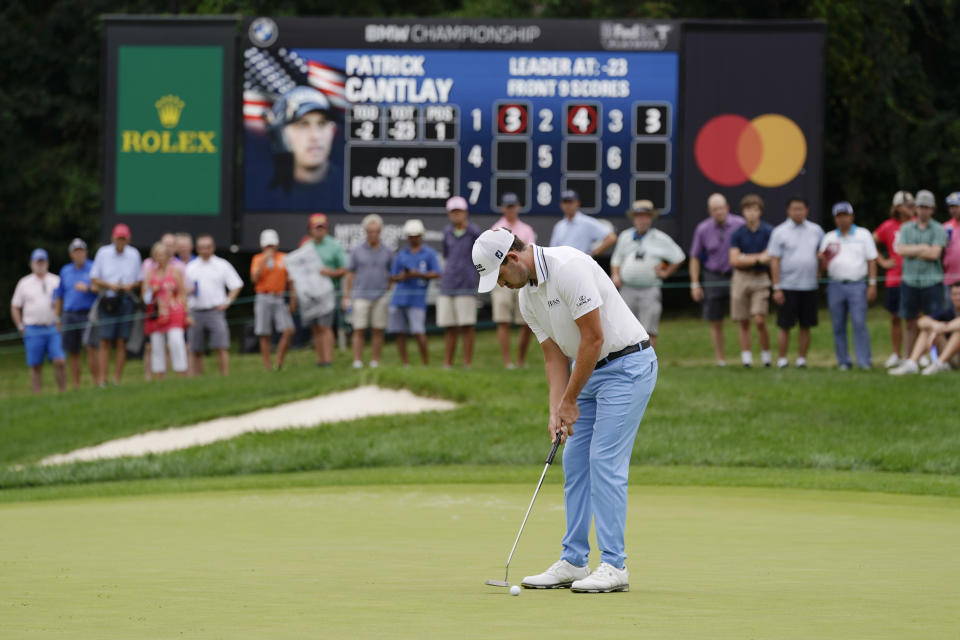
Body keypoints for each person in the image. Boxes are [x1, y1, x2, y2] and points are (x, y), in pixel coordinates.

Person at [472, 228, 657, 593]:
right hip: (586, 371)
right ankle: (573, 560)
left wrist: (570, 400)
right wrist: (556, 408)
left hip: (627, 366)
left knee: (604, 460)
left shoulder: (569, 266)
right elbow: (554, 356)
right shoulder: (528, 298)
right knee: (574, 462)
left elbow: (594, 338)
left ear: (512, 258)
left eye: (500, 277)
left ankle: (614, 565)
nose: (502, 286)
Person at [610, 199, 684, 349]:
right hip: (627, 289)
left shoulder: (660, 238)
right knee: (624, 330)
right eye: (639, 216)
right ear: (634, 218)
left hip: (650, 289)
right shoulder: (625, 236)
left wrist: (666, 271)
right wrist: (615, 275)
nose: (642, 219)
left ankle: (648, 366)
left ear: (650, 218)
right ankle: (628, 364)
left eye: (645, 216)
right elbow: (616, 259)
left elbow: (679, 257)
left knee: (648, 331)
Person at [819, 201, 878, 370]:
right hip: (835, 285)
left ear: (851, 217)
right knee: (838, 325)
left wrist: (872, 284)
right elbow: (823, 264)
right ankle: (843, 361)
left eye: (845, 215)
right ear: (835, 219)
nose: (842, 219)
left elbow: (871, 260)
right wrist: (821, 260)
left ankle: (864, 361)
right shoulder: (829, 237)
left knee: (859, 323)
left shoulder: (863, 234)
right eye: (839, 216)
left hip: (857, 284)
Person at [689, 193, 746, 366]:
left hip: (736, 274)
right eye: (715, 209)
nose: (718, 212)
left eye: (721, 208)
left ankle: (746, 357)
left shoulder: (739, 224)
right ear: (709, 211)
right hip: (713, 275)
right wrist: (695, 284)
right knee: (715, 320)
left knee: (742, 317)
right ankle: (720, 359)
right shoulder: (702, 229)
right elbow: (694, 257)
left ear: (727, 208)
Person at [891, 189, 947, 365]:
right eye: (921, 207)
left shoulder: (939, 228)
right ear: (915, 209)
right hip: (910, 281)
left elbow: (935, 254)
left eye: (927, 207)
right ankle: (909, 359)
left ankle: (933, 359)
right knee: (909, 320)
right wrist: (923, 247)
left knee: (932, 321)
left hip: (932, 281)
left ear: (933, 209)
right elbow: (901, 250)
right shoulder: (906, 228)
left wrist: (914, 250)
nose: (923, 211)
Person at [263, 86, 343, 208]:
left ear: (332, 130)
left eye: (322, 123)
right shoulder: (262, 193)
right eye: (303, 124)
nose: (315, 136)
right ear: (281, 133)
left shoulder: (348, 186)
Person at [767, 197, 824, 368]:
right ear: (788, 210)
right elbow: (774, 260)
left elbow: (821, 255)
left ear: (806, 210)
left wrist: (820, 270)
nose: (797, 212)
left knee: (805, 324)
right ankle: (783, 359)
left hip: (809, 285)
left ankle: (802, 359)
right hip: (787, 285)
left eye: (801, 208)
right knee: (785, 325)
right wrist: (776, 287)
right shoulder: (779, 232)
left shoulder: (816, 230)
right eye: (794, 209)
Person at [90, 223, 142, 386]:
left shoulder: (134, 254)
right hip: (108, 299)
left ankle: (117, 379)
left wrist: (129, 286)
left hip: (126, 299)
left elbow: (139, 279)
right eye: (118, 238)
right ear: (113, 238)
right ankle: (103, 380)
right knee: (104, 340)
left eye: (123, 239)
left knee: (122, 341)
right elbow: (95, 278)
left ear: (128, 239)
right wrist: (110, 285)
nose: (120, 241)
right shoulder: (103, 253)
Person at [185, 234, 243, 376]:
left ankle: (224, 376)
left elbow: (236, 285)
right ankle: (196, 379)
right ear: (197, 249)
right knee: (195, 348)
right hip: (195, 311)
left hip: (215, 311)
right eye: (202, 248)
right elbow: (183, 291)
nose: (205, 250)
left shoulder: (222, 265)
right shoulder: (190, 267)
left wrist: (227, 302)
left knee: (221, 346)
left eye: (208, 247)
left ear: (213, 248)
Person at [490, 192, 536, 368]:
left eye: (513, 206)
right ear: (503, 208)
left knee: (526, 322)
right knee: (503, 320)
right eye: (507, 206)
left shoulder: (526, 229)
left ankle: (521, 361)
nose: (510, 210)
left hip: (522, 279)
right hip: (502, 277)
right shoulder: (496, 228)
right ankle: (508, 362)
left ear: (518, 207)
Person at [727, 194, 774, 367]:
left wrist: (744, 257)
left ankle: (766, 356)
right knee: (743, 320)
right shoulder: (737, 234)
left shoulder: (769, 231)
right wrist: (756, 258)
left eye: (755, 209)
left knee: (759, 319)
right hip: (741, 278)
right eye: (748, 209)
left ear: (760, 211)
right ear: (743, 212)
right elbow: (734, 260)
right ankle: (746, 359)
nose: (751, 213)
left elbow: (770, 256)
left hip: (761, 278)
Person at [11, 249, 66, 394]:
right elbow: (15, 306)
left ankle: (64, 393)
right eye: (37, 262)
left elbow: (63, 302)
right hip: (32, 328)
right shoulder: (24, 283)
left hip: (53, 327)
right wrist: (20, 326)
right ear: (32, 263)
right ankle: (37, 395)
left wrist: (60, 318)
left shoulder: (56, 280)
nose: (40, 264)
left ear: (47, 263)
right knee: (35, 365)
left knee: (59, 361)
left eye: (42, 261)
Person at [342, 214, 393, 369]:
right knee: (359, 329)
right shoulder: (357, 251)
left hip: (380, 296)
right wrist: (346, 296)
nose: (373, 234)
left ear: (380, 231)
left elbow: (392, 273)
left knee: (378, 330)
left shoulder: (388, 251)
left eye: (376, 231)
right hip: (360, 296)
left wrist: (388, 291)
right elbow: (350, 275)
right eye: (370, 231)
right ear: (365, 232)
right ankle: (357, 361)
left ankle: (375, 361)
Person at [388, 219, 440, 366]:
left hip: (417, 300)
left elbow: (437, 273)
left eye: (416, 235)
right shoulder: (402, 254)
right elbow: (393, 276)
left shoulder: (429, 253)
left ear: (421, 236)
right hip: (399, 298)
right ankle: (405, 363)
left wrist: (419, 274)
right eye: (411, 236)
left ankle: (425, 364)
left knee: (418, 332)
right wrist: (403, 276)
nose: (413, 238)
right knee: (399, 332)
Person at [438, 196, 482, 369]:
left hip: (467, 285)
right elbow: (446, 255)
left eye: (459, 211)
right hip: (448, 285)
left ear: (465, 213)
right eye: (453, 212)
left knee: (467, 326)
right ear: (449, 214)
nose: (456, 215)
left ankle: (466, 363)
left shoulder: (474, 232)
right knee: (449, 326)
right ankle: (447, 363)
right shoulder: (447, 232)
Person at [873, 191, 915, 368]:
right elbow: (870, 241)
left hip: (914, 277)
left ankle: (914, 354)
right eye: (909, 205)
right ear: (898, 207)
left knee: (914, 318)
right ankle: (896, 354)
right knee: (895, 318)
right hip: (894, 278)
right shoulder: (888, 226)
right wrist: (882, 261)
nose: (912, 209)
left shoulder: (917, 225)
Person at [54, 238, 99, 389]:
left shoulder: (93, 268)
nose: (79, 254)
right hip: (69, 314)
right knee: (73, 351)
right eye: (76, 252)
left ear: (86, 252)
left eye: (81, 251)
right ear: (71, 255)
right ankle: (76, 385)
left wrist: (87, 288)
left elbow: (100, 289)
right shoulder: (65, 270)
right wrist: (58, 317)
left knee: (91, 348)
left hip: (88, 314)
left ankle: (97, 383)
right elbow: (59, 295)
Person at [890, 282, 960, 376]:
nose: (957, 297)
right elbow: (921, 322)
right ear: (950, 296)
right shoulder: (948, 312)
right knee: (928, 329)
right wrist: (934, 325)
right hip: (952, 356)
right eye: (955, 294)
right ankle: (912, 363)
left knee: (958, 332)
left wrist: (943, 328)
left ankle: (939, 363)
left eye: (959, 294)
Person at [305, 213, 347, 366]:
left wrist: (329, 272)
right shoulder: (306, 246)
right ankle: (320, 360)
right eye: (316, 227)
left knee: (325, 326)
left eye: (322, 227)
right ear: (310, 229)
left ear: (327, 228)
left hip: (329, 291)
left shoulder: (334, 245)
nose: (319, 230)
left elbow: (344, 269)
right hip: (311, 293)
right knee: (315, 327)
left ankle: (328, 360)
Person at [142, 242, 189, 379]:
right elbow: (144, 296)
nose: (160, 257)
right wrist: (152, 291)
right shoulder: (150, 274)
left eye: (162, 254)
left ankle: (181, 373)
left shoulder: (175, 271)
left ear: (168, 256)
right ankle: (159, 375)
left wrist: (185, 311)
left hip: (174, 312)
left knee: (176, 342)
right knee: (156, 345)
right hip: (156, 314)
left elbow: (182, 292)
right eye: (157, 255)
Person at [250, 228, 295, 371]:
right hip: (263, 297)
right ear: (263, 245)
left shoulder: (284, 258)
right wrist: (264, 260)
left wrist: (293, 300)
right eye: (267, 245)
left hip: (279, 298)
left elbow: (291, 281)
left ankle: (279, 361)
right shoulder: (257, 259)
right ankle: (268, 366)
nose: (270, 248)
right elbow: (254, 279)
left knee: (288, 330)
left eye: (272, 245)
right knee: (264, 333)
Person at [549, 190, 617, 257]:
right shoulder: (559, 226)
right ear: (561, 204)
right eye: (565, 202)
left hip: (580, 263)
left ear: (577, 203)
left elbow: (611, 237)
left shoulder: (587, 222)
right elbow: (553, 249)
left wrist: (593, 253)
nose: (568, 205)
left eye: (570, 202)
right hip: (562, 264)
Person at [941, 191, 960, 300]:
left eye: (956, 206)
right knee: (952, 315)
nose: (953, 210)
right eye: (951, 207)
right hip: (950, 279)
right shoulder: (945, 227)